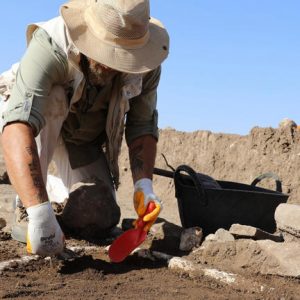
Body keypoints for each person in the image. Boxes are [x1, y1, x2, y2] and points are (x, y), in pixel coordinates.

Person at [0, 0, 169, 256]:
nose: (112, 64)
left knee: (99, 214)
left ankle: (55, 194)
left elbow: (142, 124)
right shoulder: (52, 44)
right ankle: (30, 204)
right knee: (55, 98)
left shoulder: (146, 64)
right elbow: (19, 123)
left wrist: (143, 186)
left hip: (81, 140)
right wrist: (40, 213)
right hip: (37, 124)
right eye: (109, 53)